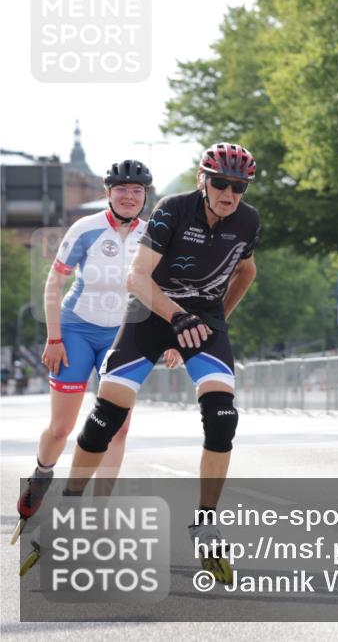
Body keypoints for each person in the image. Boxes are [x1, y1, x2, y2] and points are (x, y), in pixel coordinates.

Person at [61, 143, 261, 583]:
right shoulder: (174, 210)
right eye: (222, 184)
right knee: (105, 418)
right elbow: (136, 277)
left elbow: (247, 271)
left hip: (201, 321)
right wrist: (177, 315)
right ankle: (71, 506)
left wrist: (217, 319)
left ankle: (206, 524)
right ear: (202, 181)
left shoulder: (248, 221)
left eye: (239, 187)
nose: (230, 193)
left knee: (223, 418)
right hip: (151, 315)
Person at [15, 160, 180, 527]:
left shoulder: (155, 233)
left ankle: (98, 513)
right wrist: (54, 337)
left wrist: (170, 337)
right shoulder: (85, 229)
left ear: (145, 196)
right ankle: (43, 473)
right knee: (62, 428)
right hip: (76, 330)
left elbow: (164, 290)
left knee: (118, 427)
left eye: (136, 191)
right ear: (108, 193)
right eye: (121, 189)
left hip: (125, 332)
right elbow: (54, 283)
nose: (128, 196)